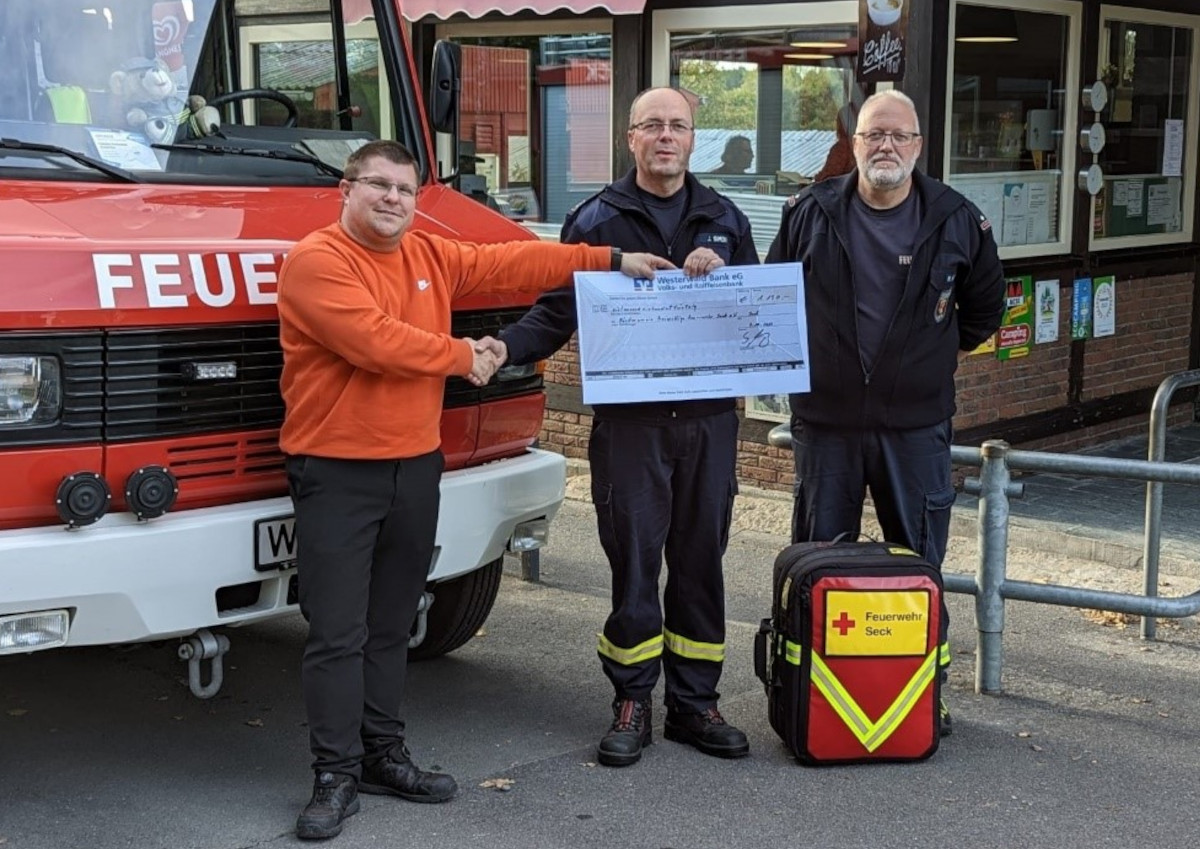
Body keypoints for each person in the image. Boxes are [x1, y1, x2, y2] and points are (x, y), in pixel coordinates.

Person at [277, 139, 672, 841]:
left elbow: (514, 260)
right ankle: (332, 774)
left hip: (415, 467)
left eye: (405, 188)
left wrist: (611, 259)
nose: (394, 199)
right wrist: (469, 356)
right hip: (336, 471)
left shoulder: (429, 253)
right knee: (338, 633)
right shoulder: (317, 261)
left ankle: (381, 754)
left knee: (393, 624)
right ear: (347, 188)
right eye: (379, 185)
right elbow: (377, 341)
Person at [478, 87, 759, 768]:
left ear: (694, 139)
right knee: (634, 560)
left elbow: (755, 314)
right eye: (653, 126)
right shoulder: (596, 218)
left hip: (708, 422)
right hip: (631, 427)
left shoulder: (724, 217)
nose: (666, 136)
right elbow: (554, 310)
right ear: (630, 138)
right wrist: (502, 348)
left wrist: (722, 280)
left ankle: (696, 704)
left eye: (679, 126)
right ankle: (632, 700)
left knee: (701, 561)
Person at [766, 90, 1005, 735]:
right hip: (828, 426)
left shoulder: (958, 220)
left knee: (920, 559)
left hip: (915, 428)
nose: (886, 147)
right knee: (819, 557)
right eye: (874, 135)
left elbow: (984, 312)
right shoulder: (809, 211)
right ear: (855, 142)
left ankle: (929, 691)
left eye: (900, 136)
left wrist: (920, 360)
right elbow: (773, 301)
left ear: (919, 146)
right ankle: (810, 687)